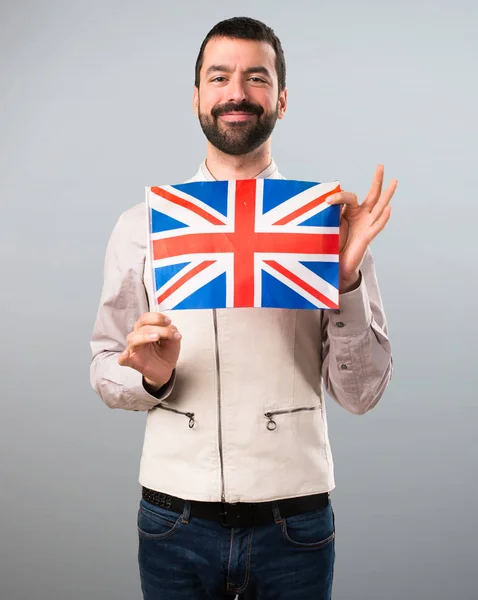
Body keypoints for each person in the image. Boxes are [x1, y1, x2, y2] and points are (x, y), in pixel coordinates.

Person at [90, 16, 396, 600]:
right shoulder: (143, 227)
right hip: (173, 518)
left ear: (281, 97)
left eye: (256, 78)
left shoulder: (325, 224)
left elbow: (362, 394)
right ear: (197, 97)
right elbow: (103, 364)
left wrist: (347, 276)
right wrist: (150, 377)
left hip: (294, 519)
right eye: (219, 77)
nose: (237, 93)